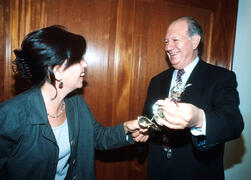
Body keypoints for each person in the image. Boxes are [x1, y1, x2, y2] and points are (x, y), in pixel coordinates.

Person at [0, 25, 149, 180]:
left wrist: (127, 129)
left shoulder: (76, 103)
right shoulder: (9, 115)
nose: (84, 64)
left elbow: (98, 137)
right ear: (57, 71)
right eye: (78, 59)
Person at [142, 16, 244, 179]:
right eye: (166, 41)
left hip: (197, 173)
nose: (169, 47)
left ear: (195, 41)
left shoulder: (221, 77)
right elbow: (149, 120)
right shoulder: (156, 81)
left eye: (175, 40)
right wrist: (142, 133)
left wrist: (199, 120)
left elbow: (234, 123)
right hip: (157, 171)